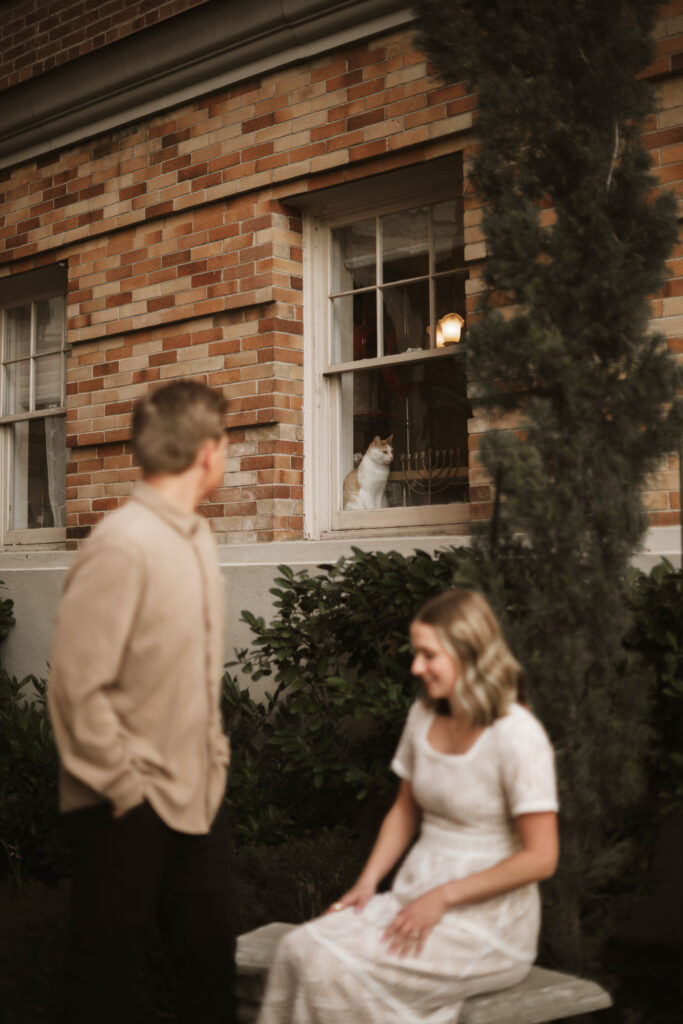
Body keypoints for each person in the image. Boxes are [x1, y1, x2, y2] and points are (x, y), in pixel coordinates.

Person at [257, 587, 559, 1024]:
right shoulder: (423, 717)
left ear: (470, 652)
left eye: (428, 654)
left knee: (330, 968)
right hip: (413, 894)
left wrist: (443, 897)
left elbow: (542, 858)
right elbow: (404, 810)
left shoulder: (516, 734)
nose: (416, 667)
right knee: (296, 949)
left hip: (487, 925)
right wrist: (367, 882)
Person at [48, 379, 236, 1024]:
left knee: (210, 967)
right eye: (226, 440)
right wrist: (127, 790)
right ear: (208, 451)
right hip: (125, 805)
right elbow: (76, 687)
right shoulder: (121, 544)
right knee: (101, 985)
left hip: (197, 792)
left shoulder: (197, 538)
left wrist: (213, 758)